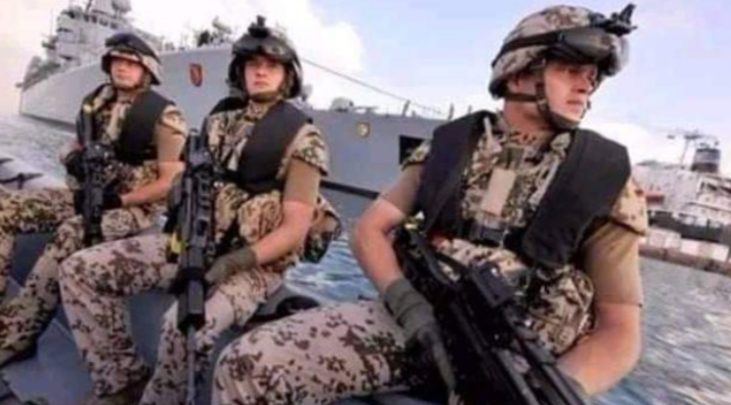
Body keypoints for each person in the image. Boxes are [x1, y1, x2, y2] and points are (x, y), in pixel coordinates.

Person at [210, 4, 648, 404]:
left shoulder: (603, 175)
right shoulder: (453, 145)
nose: (586, 84)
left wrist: (553, 390)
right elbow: (370, 229)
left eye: (593, 76)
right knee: (245, 366)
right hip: (414, 324)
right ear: (518, 73)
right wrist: (407, 304)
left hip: (518, 368)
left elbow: (620, 330)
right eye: (571, 70)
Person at [57, 16, 339, 404]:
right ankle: (121, 382)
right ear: (240, 71)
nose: (260, 72)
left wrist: (234, 262)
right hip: (189, 242)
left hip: (252, 264)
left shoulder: (304, 139)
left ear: (287, 76)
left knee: (182, 325)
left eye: (271, 66)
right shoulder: (219, 122)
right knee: (80, 270)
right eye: (252, 64)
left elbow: (294, 229)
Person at [0, 32, 186, 379]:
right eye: (117, 61)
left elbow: (169, 181)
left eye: (131, 63)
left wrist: (120, 199)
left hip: (131, 208)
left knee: (71, 235)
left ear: (147, 70)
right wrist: (71, 157)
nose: (122, 68)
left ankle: (11, 340)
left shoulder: (165, 116)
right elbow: (76, 143)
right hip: (84, 195)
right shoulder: (97, 101)